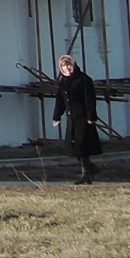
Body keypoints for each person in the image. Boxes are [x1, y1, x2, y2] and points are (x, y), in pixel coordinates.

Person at [51, 53, 102, 184]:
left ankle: (86, 173)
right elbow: (60, 101)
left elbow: (90, 99)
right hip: (71, 118)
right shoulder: (62, 81)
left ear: (74, 65)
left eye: (68, 65)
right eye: (63, 66)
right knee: (72, 147)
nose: (66, 68)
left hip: (83, 117)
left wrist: (91, 116)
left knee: (82, 146)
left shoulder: (84, 79)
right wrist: (57, 116)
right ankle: (91, 169)